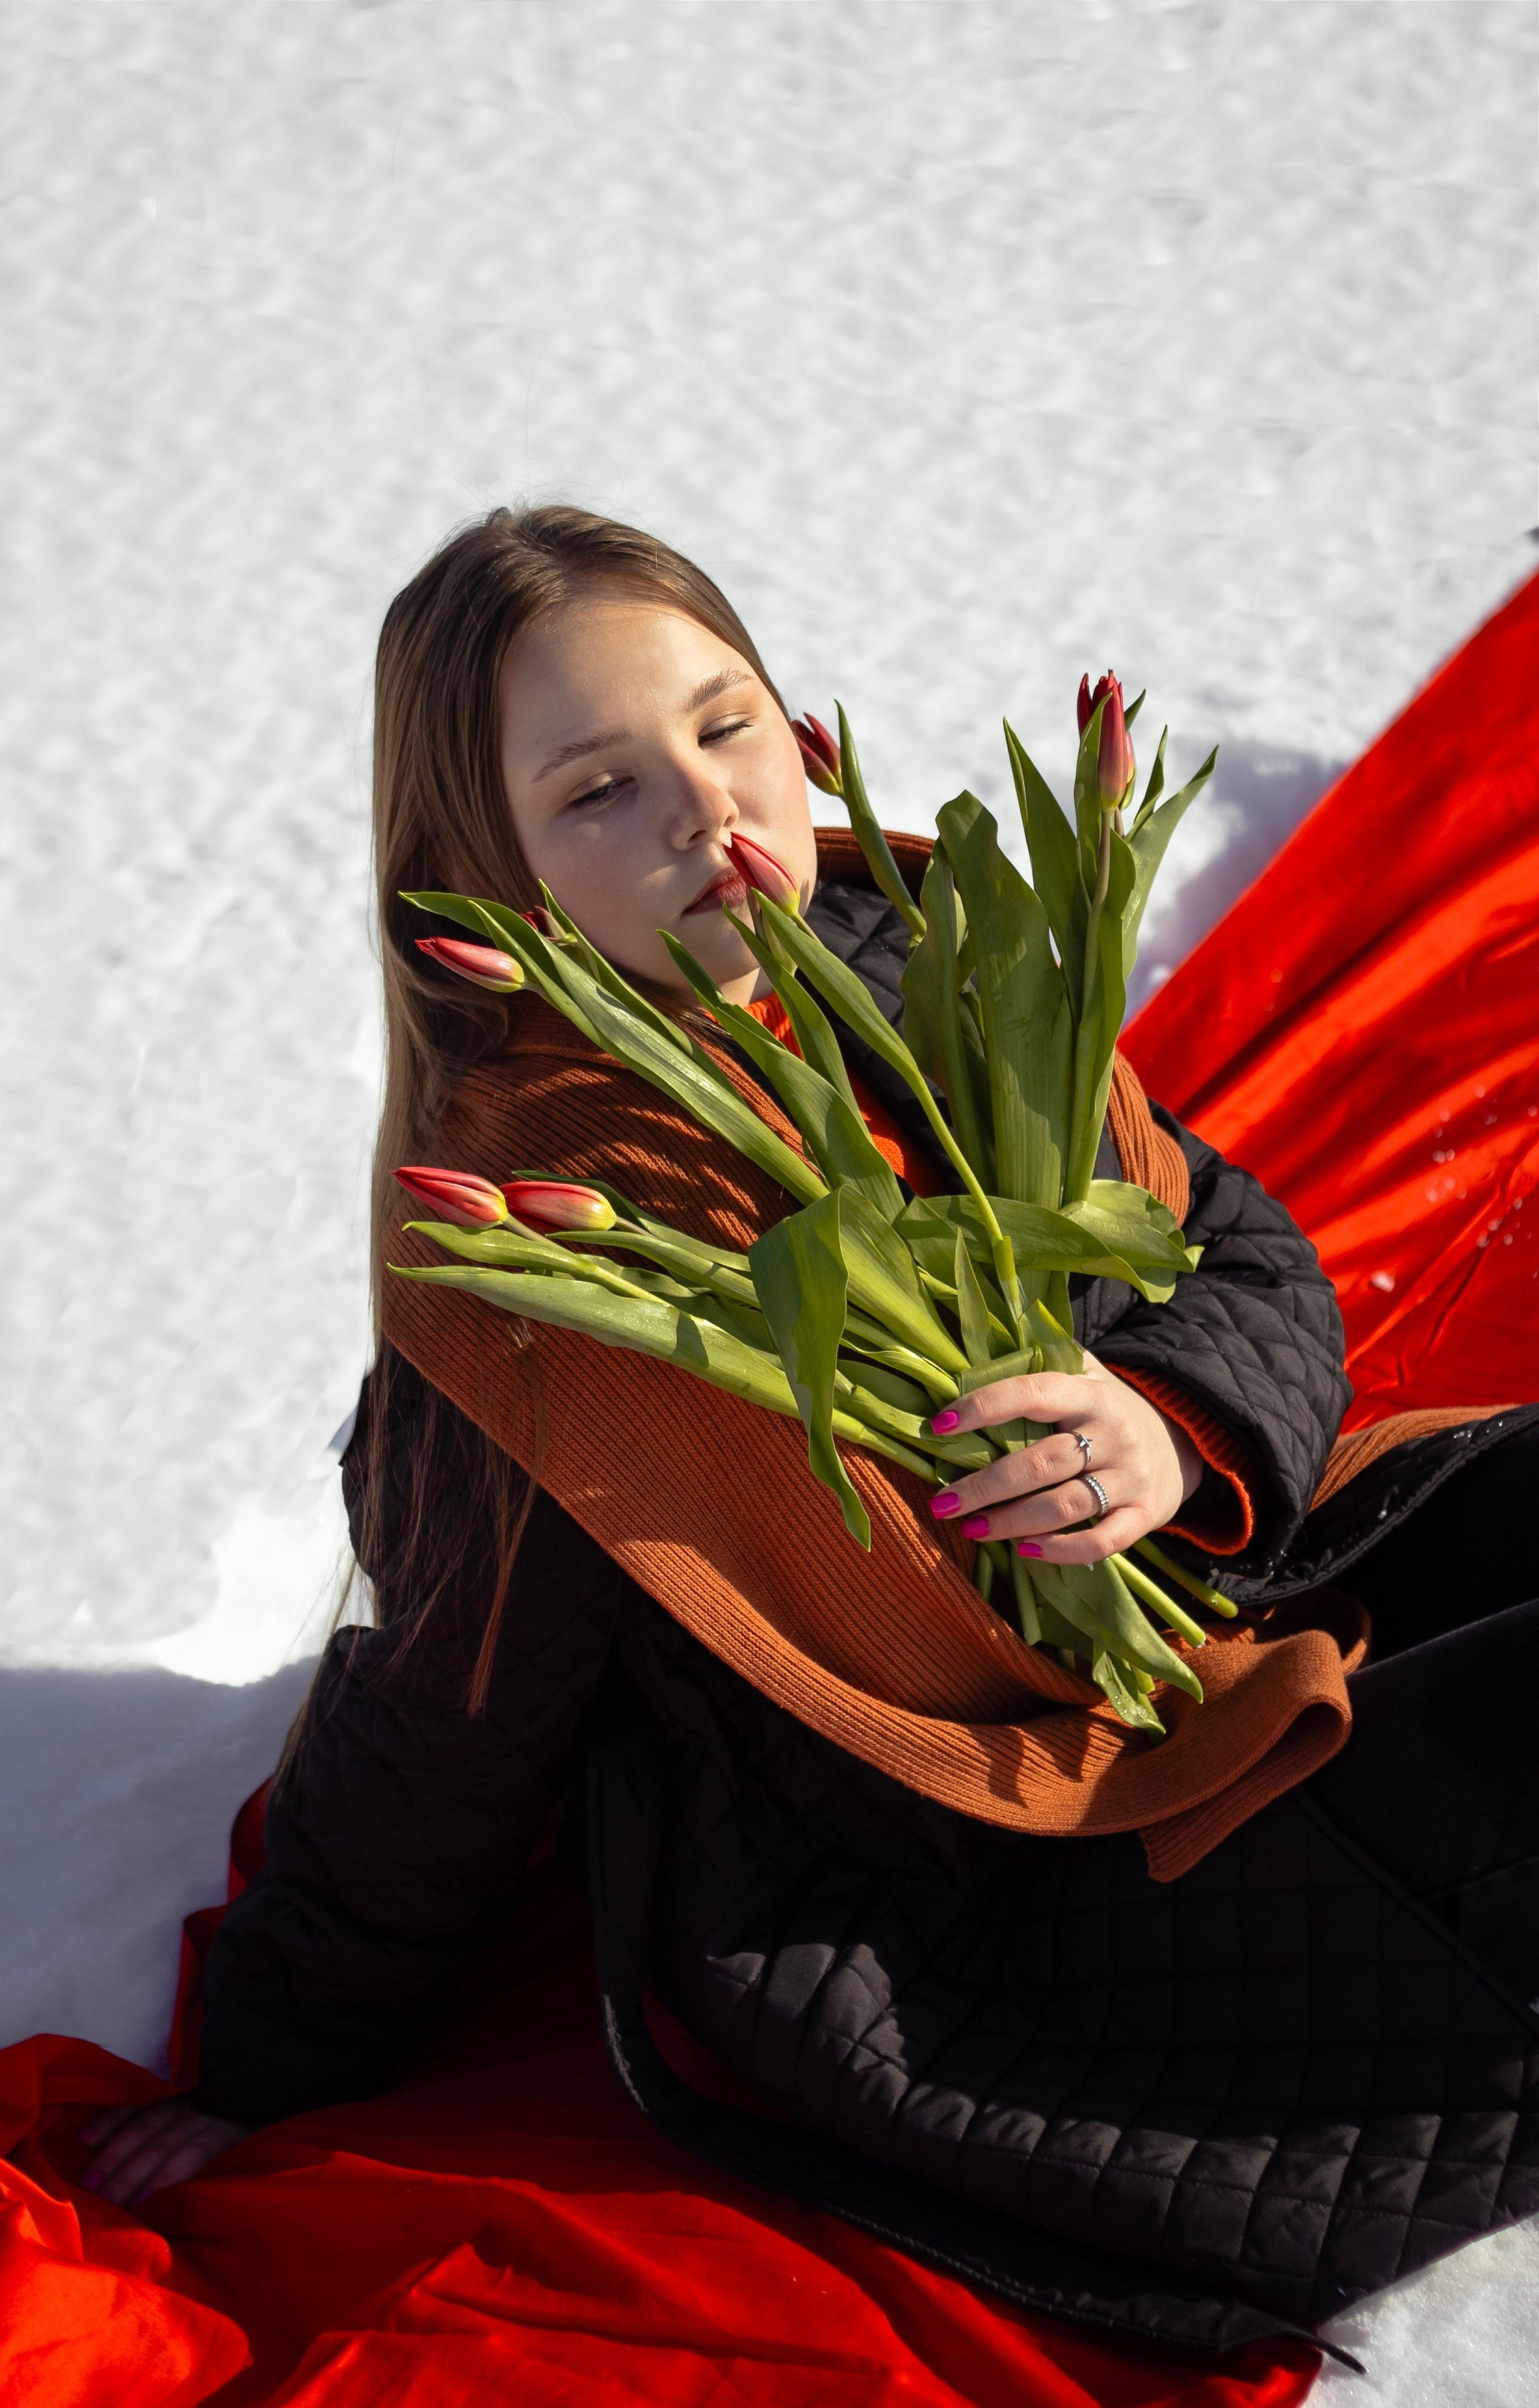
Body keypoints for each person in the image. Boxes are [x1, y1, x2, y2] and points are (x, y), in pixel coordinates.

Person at [80, 507, 1539, 2349]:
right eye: (599, 790)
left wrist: (1167, 1426)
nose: (705, 812)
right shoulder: (539, 1254)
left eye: (725, 725)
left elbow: (1227, 1245)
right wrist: (265, 2069)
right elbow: (444, 1720)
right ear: (485, 882)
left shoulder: (913, 946)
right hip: (951, 1868)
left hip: (1205, 1601)